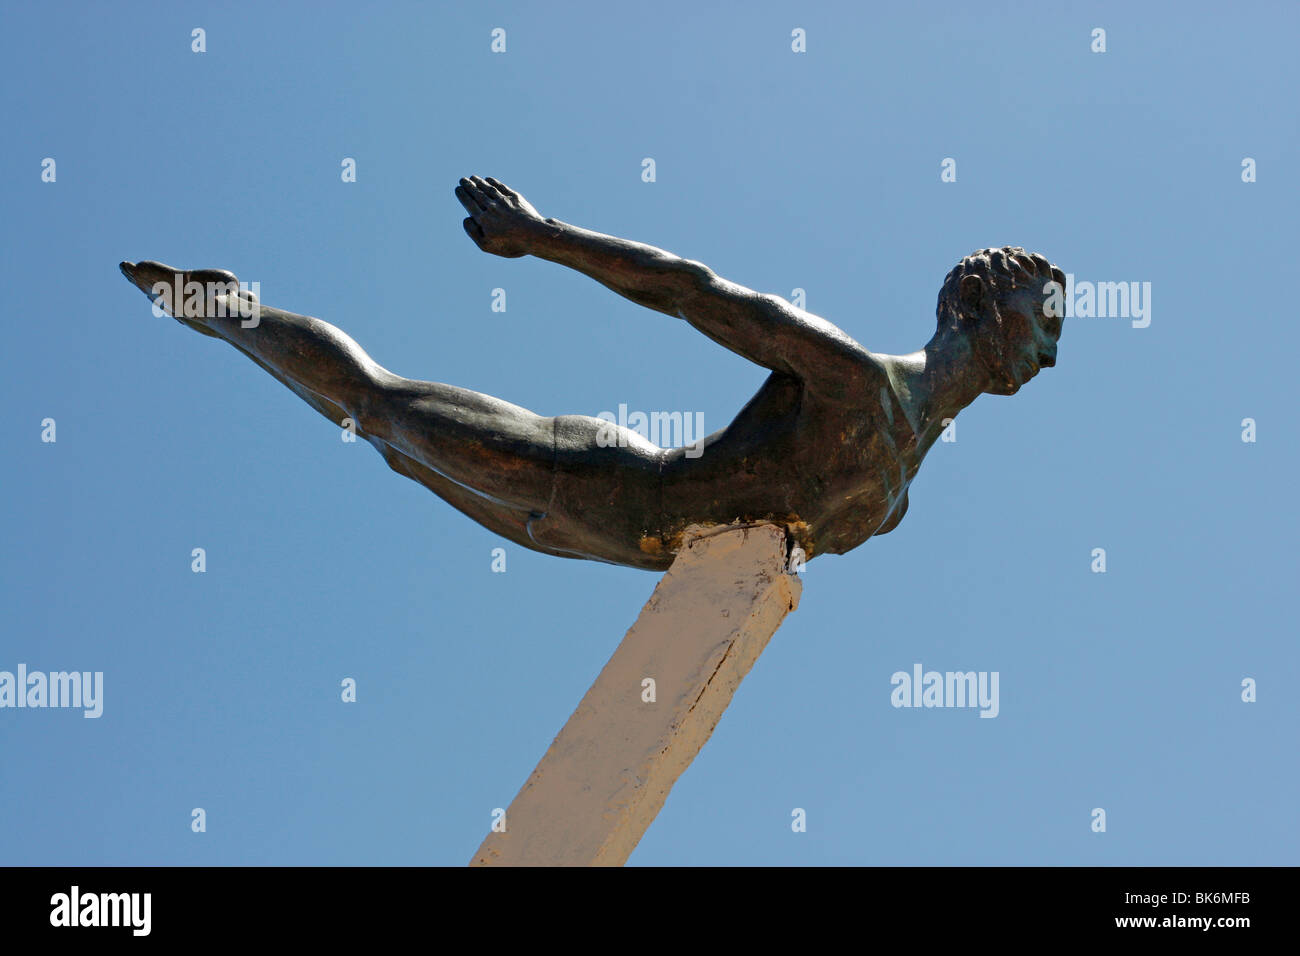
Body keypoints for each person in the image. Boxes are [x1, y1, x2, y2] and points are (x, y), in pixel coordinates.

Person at [120, 176, 1064, 571]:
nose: (1051, 351)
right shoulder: (861, 387)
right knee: (376, 409)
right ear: (973, 308)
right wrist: (539, 235)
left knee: (392, 451)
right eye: (1042, 323)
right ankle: (226, 311)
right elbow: (692, 292)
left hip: (595, 544)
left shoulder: (899, 490)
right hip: (591, 475)